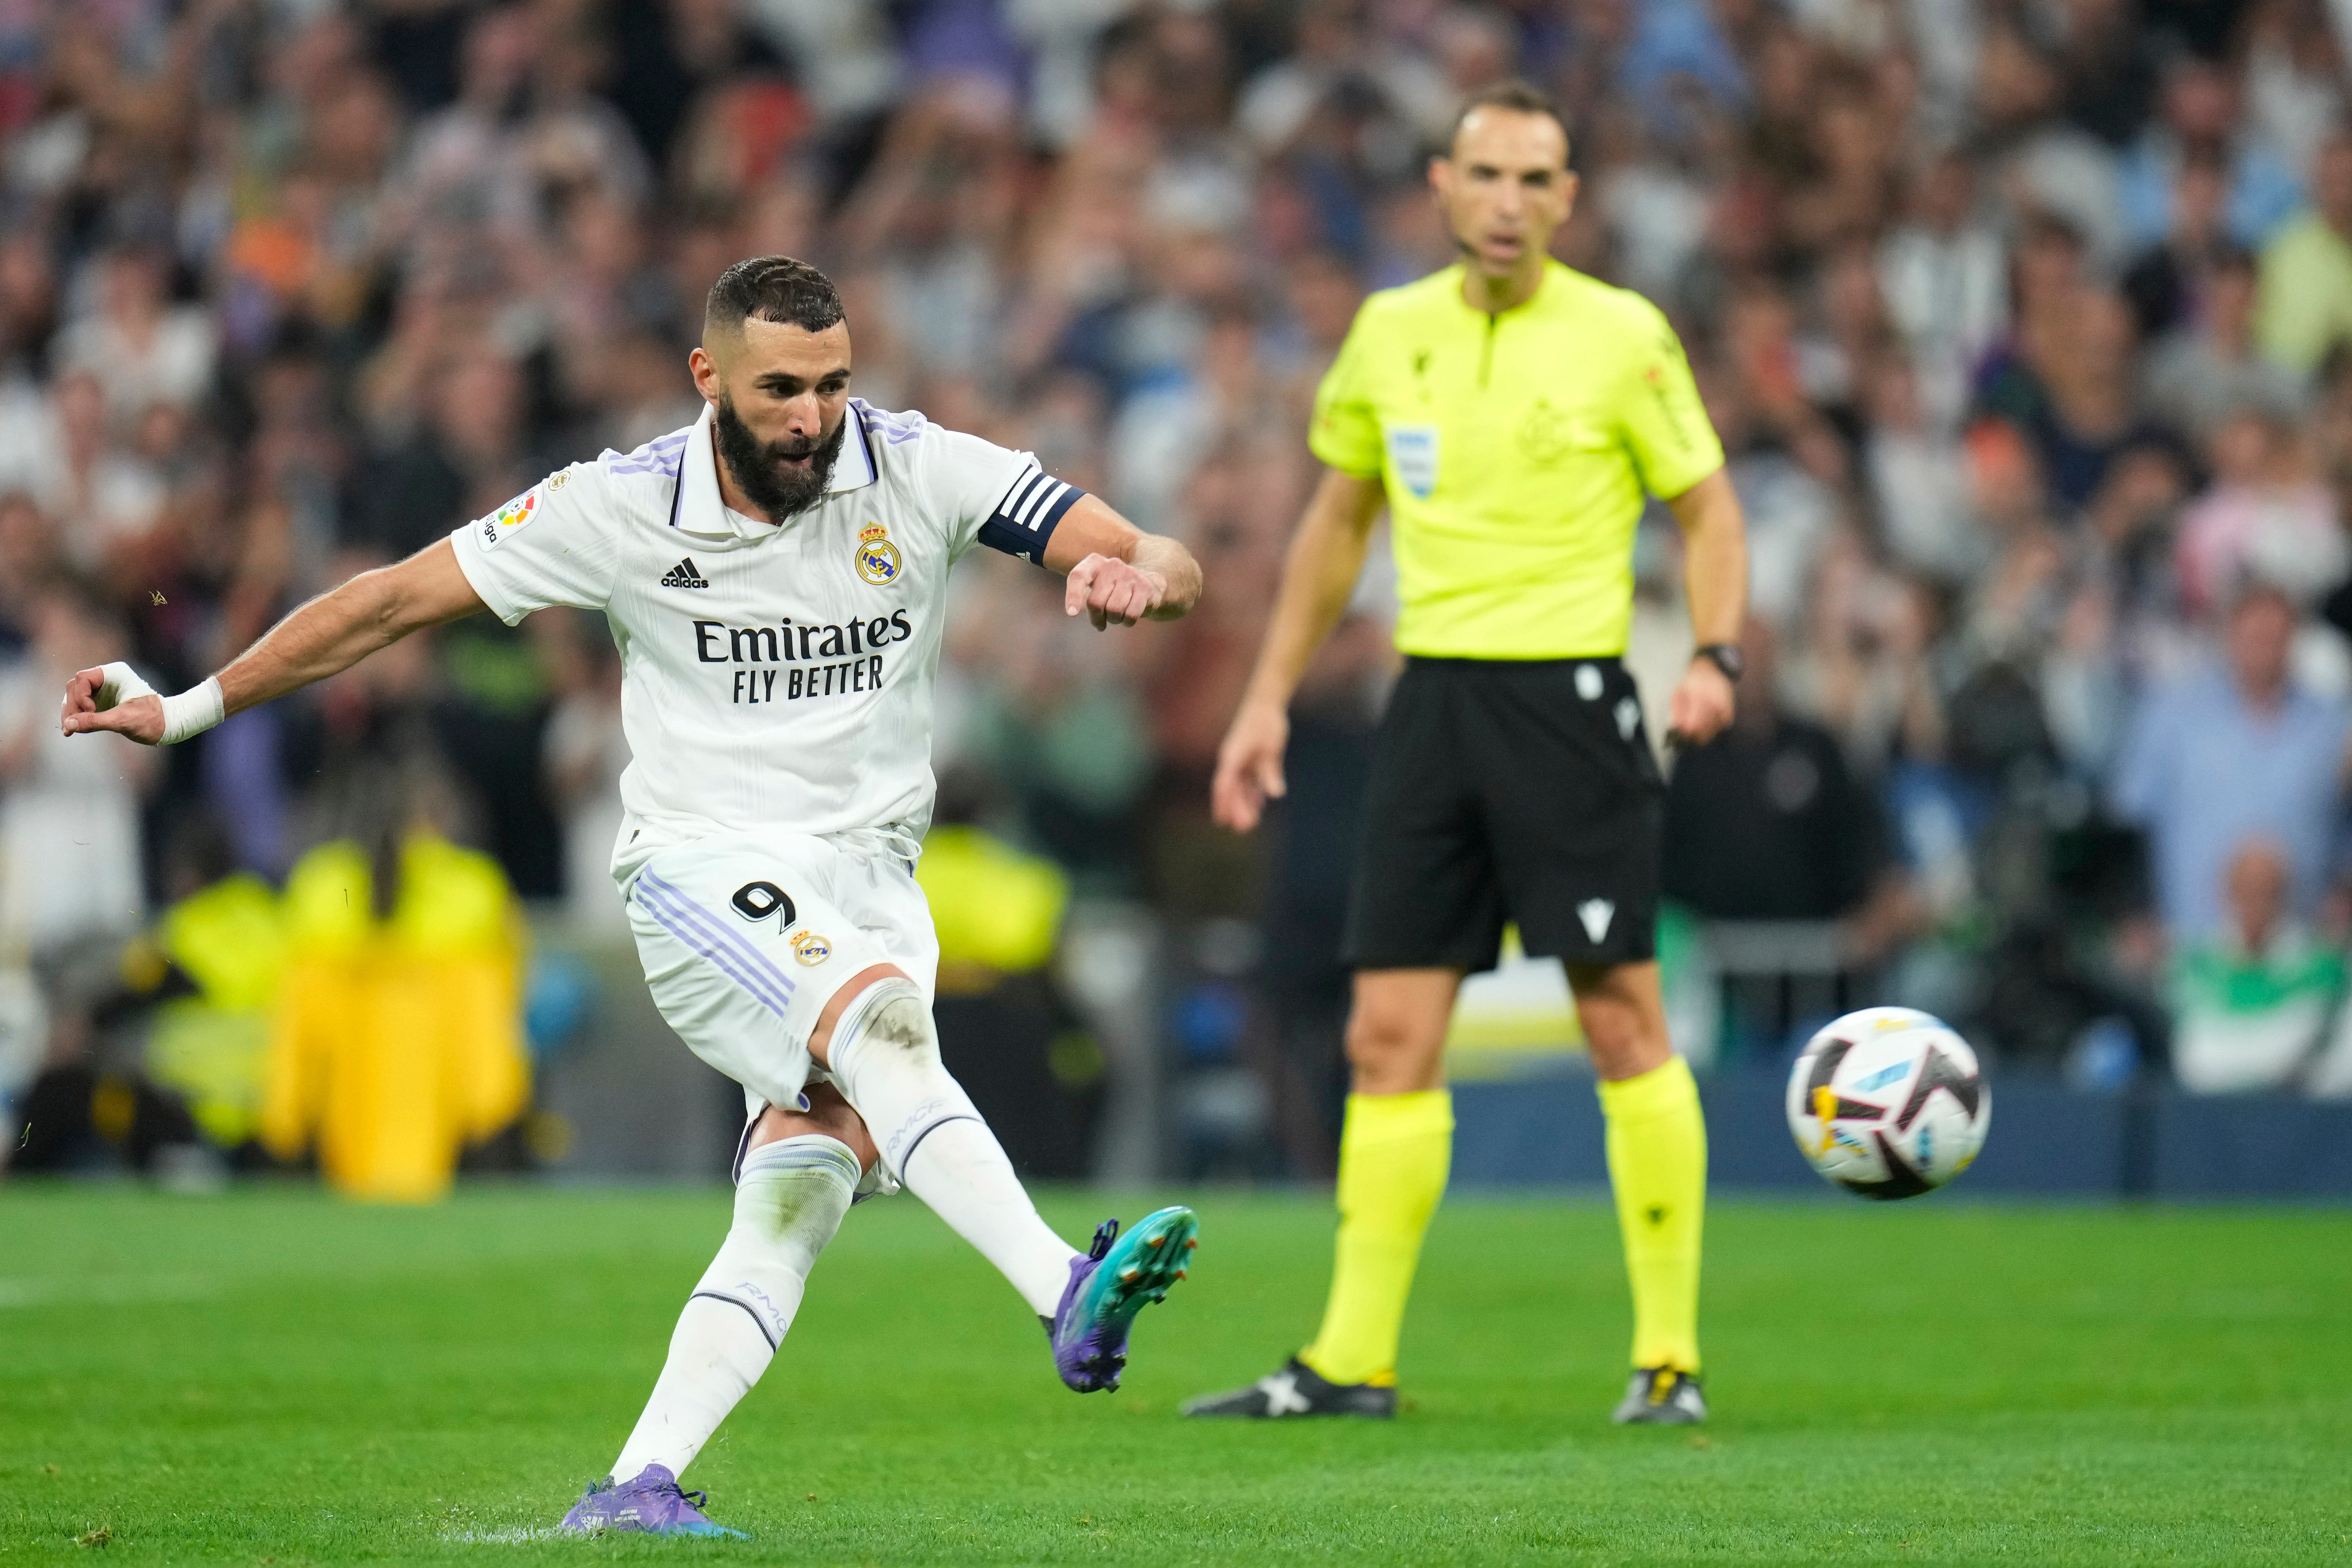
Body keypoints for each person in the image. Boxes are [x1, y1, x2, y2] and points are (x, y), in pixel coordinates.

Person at [61, 257, 1205, 1537]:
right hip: (702, 870)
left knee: (802, 1185)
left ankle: (636, 1485)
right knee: (879, 1031)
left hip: (872, 878)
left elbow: (1150, 547)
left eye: (831, 386)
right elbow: (388, 605)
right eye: (779, 388)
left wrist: (1144, 577)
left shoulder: (920, 466)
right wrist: (186, 708)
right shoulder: (620, 505)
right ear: (708, 377)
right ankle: (1063, 1287)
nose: (810, 419)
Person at [1187, 81, 1748, 1427]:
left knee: (1621, 1019)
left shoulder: (1623, 335)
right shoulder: (1388, 335)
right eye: (1486, 176)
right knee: (1387, 1036)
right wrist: (1265, 693)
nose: (1508, 203)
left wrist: (1717, 655)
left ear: (1568, 199)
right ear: (1440, 185)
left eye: (1536, 180)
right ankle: (1349, 1363)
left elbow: (1706, 506)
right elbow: (1336, 523)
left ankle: (1666, 1360)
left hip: (1569, 706)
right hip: (1428, 709)